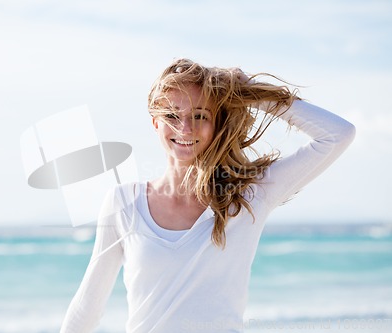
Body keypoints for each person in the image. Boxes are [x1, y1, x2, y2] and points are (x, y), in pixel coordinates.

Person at [59, 58, 356, 333]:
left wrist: (251, 92)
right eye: (173, 115)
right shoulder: (124, 202)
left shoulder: (249, 196)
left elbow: (337, 134)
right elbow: (88, 306)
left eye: (199, 115)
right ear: (155, 122)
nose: (185, 128)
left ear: (216, 122)